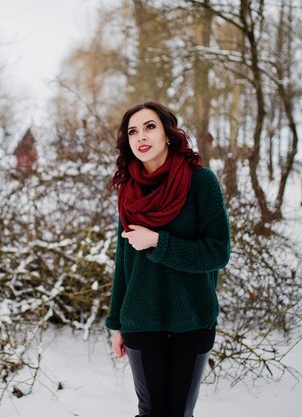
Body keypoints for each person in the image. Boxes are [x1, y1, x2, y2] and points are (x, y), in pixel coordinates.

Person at [106, 102, 230, 417]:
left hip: (192, 318)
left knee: (178, 413)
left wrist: (160, 242)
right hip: (140, 318)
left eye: (150, 127)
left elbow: (218, 253)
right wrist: (116, 323)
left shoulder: (201, 182)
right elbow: (124, 263)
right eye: (132, 131)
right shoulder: (129, 191)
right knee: (150, 411)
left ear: (168, 133)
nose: (141, 137)